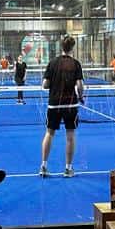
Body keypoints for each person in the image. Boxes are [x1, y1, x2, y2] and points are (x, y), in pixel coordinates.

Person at [40, 35, 84, 178]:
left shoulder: (52, 63)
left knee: (49, 133)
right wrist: (81, 96)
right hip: (71, 105)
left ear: (61, 47)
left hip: (54, 105)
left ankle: (44, 167)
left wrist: (54, 83)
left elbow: (45, 85)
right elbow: (80, 85)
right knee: (70, 136)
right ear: (72, 48)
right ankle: (68, 169)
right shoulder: (76, 64)